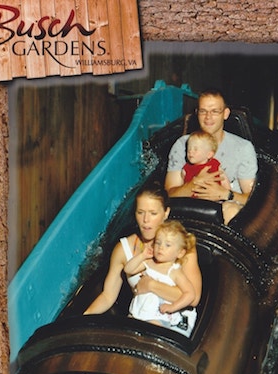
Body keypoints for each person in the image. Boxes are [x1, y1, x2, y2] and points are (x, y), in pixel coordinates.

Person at [84, 182, 202, 335]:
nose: (146, 220)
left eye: (153, 213)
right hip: (139, 319)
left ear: (166, 213)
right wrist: (84, 319)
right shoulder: (123, 249)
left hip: (171, 321)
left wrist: (151, 285)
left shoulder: (181, 248)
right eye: (140, 212)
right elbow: (108, 296)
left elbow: (193, 298)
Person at [165, 88, 258, 224]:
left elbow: (252, 199)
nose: (208, 117)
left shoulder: (243, 148)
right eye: (203, 111)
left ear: (225, 114)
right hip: (190, 210)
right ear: (197, 113)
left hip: (225, 210)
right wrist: (194, 184)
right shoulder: (182, 145)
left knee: (231, 210)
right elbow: (169, 194)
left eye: (215, 111)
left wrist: (225, 194)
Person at [124, 220, 197, 334]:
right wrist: (142, 256)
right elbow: (128, 269)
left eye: (167, 245)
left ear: (180, 253)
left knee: (150, 335)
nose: (161, 247)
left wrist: (173, 307)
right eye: (158, 243)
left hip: (157, 316)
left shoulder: (174, 271)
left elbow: (190, 294)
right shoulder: (149, 262)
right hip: (137, 312)